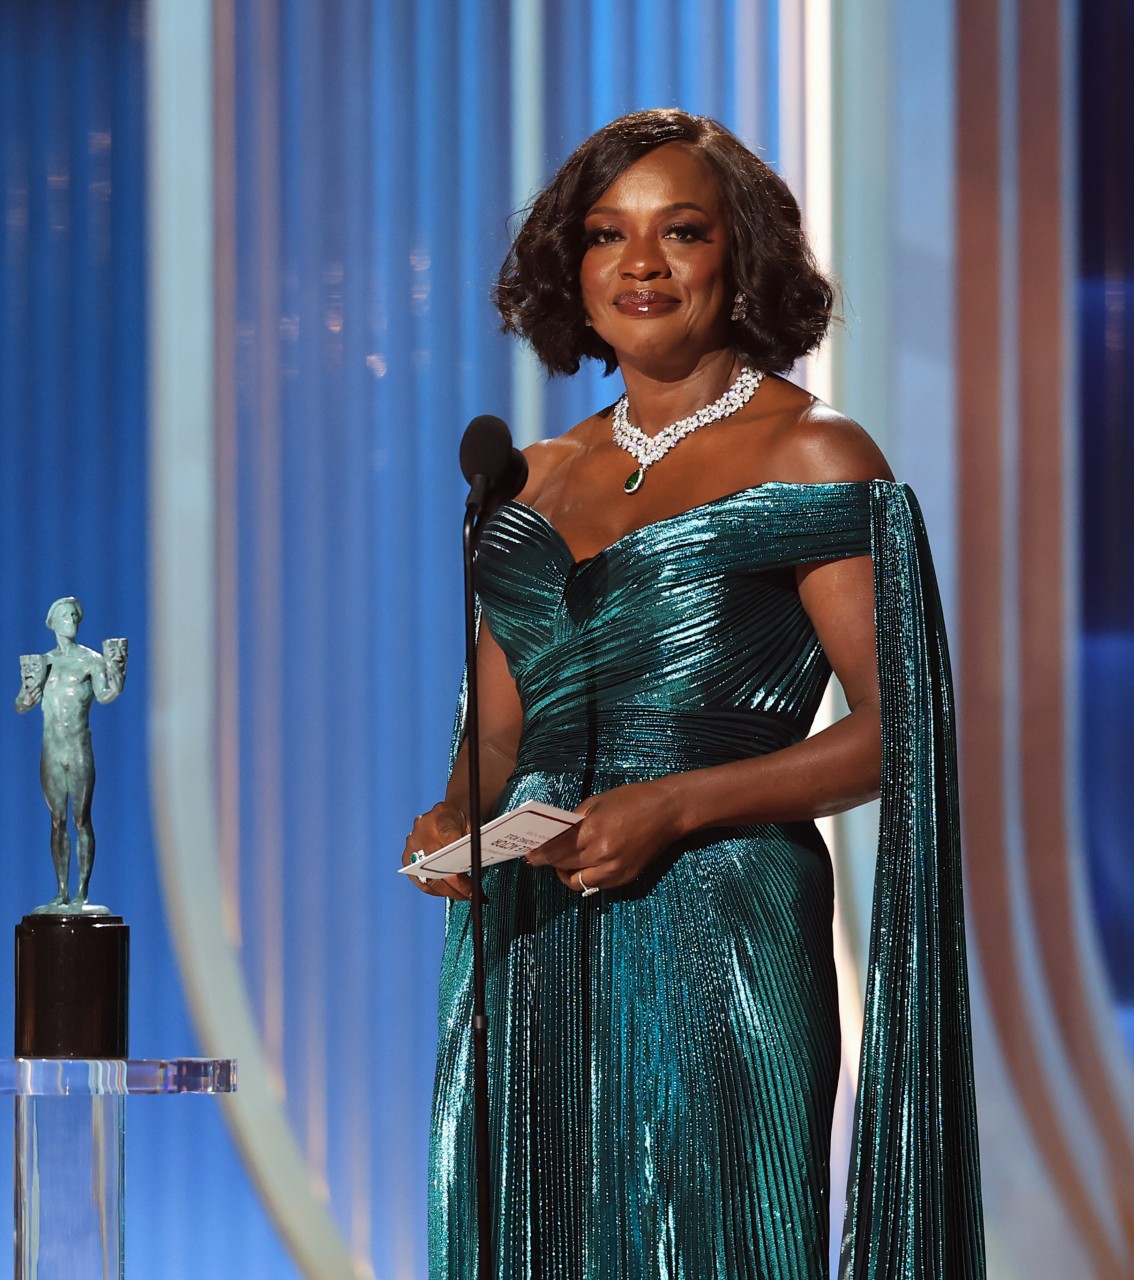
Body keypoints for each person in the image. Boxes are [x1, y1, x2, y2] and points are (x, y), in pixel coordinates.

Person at [403, 109, 985, 1280]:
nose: (640, 264)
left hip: (718, 916)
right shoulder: (532, 475)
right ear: (571, 268)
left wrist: (674, 806)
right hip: (533, 923)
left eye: (680, 231)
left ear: (742, 255)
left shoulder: (816, 455)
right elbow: (499, 735)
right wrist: (448, 816)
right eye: (606, 235)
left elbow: (895, 735)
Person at [14, 596, 128, 912]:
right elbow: (22, 704)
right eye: (65, 615)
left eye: (75, 615)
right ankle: (61, 891)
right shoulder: (43, 663)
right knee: (56, 820)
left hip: (78, 749)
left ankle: (81, 892)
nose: (72, 619)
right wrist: (26, 696)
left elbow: (106, 695)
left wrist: (118, 675)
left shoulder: (91, 661)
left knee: (81, 820)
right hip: (52, 750)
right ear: (53, 622)